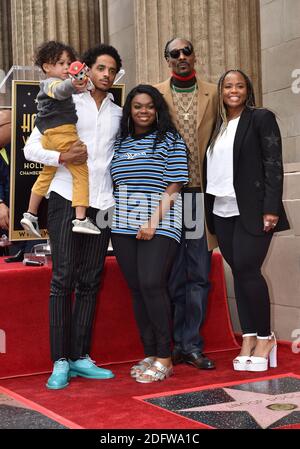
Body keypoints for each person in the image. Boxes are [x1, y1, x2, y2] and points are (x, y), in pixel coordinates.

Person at [24, 44, 123, 389]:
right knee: (62, 279)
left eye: (112, 70)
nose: (105, 75)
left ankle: (81, 357)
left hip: (103, 203)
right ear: (87, 70)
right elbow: (30, 148)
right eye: (100, 68)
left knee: (91, 280)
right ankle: (60, 361)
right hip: (66, 198)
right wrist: (61, 156)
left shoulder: (117, 112)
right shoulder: (67, 102)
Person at [204, 69, 290, 372]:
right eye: (228, 86)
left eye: (239, 85)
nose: (233, 90)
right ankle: (249, 337)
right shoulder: (217, 125)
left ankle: (266, 338)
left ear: (248, 89)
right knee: (239, 272)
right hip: (221, 210)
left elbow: (273, 163)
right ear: (221, 91)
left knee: (248, 271)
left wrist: (271, 208)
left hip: (253, 210)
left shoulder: (260, 118)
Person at [110, 84, 189, 383]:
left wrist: (153, 221)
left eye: (149, 106)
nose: (143, 111)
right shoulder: (121, 143)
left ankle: (165, 356)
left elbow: (175, 185)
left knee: (152, 283)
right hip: (121, 224)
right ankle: (150, 352)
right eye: (137, 106)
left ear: (158, 110)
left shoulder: (170, 140)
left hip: (161, 220)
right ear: (129, 111)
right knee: (136, 288)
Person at [155, 38, 218, 370]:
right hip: (167, 196)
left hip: (195, 196)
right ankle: (170, 344)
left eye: (186, 51)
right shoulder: (154, 94)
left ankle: (190, 344)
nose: (181, 57)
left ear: (195, 55)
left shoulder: (214, 92)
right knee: (171, 272)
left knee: (197, 272)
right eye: (174, 54)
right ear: (167, 60)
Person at [21, 41, 100, 238]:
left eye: (69, 62)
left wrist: (84, 79)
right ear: (47, 67)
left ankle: (30, 214)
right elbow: (61, 90)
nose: (66, 67)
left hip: (50, 137)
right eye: (60, 63)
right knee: (81, 171)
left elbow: (84, 88)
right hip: (62, 134)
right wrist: (74, 82)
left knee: (46, 174)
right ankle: (81, 218)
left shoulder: (62, 84)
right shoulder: (51, 84)